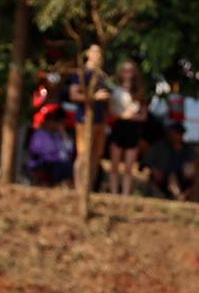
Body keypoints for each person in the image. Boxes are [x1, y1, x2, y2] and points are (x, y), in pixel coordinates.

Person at [68, 44, 112, 190]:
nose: (98, 56)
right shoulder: (81, 73)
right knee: (83, 155)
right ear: (88, 54)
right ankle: (78, 187)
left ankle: (88, 188)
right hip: (84, 119)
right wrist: (94, 97)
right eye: (95, 52)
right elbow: (73, 94)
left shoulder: (102, 75)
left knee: (95, 156)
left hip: (100, 119)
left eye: (100, 53)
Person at [107, 60, 147, 196]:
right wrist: (123, 115)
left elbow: (143, 115)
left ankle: (125, 194)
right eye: (125, 70)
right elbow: (111, 110)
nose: (127, 74)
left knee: (129, 167)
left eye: (130, 70)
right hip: (119, 126)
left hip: (133, 129)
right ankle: (113, 192)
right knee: (114, 165)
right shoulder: (116, 90)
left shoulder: (139, 92)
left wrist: (132, 117)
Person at [144, 121, 197, 200]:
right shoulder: (159, 147)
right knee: (171, 176)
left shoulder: (188, 150)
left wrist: (192, 170)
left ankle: (181, 195)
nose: (177, 136)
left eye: (180, 133)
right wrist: (154, 170)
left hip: (183, 179)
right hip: (163, 178)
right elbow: (146, 162)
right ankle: (177, 195)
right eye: (175, 133)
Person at [27, 107, 75, 186]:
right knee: (61, 166)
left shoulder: (59, 135)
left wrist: (64, 134)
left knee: (67, 165)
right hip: (42, 164)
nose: (55, 124)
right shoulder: (40, 134)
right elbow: (38, 151)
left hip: (57, 164)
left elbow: (69, 152)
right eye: (54, 121)